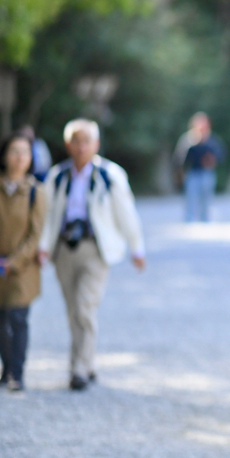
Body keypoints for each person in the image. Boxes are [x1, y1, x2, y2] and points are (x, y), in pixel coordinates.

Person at [39, 119, 146, 391]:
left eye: (87, 141)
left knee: (86, 306)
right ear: (68, 144)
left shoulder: (110, 175)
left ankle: (78, 368)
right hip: (64, 248)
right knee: (74, 309)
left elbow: (126, 212)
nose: (81, 146)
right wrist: (42, 246)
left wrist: (136, 246)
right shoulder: (57, 177)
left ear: (96, 144)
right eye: (76, 141)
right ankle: (88, 362)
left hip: (95, 248)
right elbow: (47, 216)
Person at [0, 134, 46, 392]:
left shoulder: (35, 192)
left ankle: (17, 373)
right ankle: (6, 366)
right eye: (14, 151)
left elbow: (36, 234)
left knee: (18, 318)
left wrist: (14, 261)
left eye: (25, 152)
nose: (20, 157)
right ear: (4, 155)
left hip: (22, 268)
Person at [182, 113, 225, 223]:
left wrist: (212, 160)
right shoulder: (189, 139)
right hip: (193, 172)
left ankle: (205, 220)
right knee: (191, 198)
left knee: (206, 199)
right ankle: (189, 221)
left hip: (207, 172)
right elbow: (181, 157)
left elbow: (220, 155)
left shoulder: (212, 139)